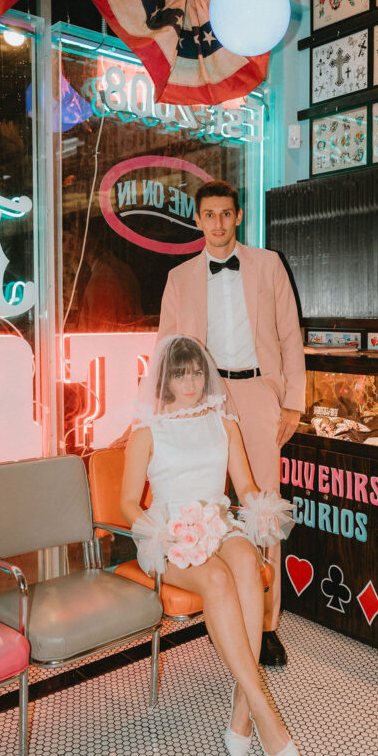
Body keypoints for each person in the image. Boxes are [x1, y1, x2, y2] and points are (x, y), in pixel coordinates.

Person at [120, 335, 301, 756]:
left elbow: (244, 486)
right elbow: (127, 502)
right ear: (165, 378)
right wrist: (159, 533)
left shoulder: (223, 422)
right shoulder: (146, 429)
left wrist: (262, 507)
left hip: (216, 520)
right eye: (181, 373)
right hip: (169, 531)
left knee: (244, 562)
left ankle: (243, 711)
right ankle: (263, 709)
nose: (192, 382)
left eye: (198, 372)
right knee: (217, 580)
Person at [157, 180, 306, 667]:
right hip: (200, 401)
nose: (218, 223)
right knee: (201, 507)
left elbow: (290, 335)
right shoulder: (179, 278)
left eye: (226, 214)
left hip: (258, 394)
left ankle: (265, 625)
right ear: (197, 220)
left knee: (261, 507)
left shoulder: (267, 265)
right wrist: (166, 413)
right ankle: (218, 606)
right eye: (209, 215)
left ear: (238, 216)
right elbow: (166, 348)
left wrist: (293, 404)